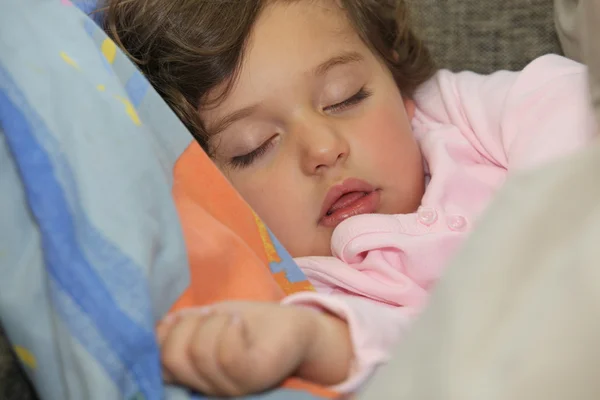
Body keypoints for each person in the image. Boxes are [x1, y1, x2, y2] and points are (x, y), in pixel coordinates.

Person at [105, 0, 597, 397]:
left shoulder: (452, 118)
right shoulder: (311, 289)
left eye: (345, 97)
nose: (322, 149)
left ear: (395, 78)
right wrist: (315, 339)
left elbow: (564, 102)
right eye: (254, 147)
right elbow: (410, 358)